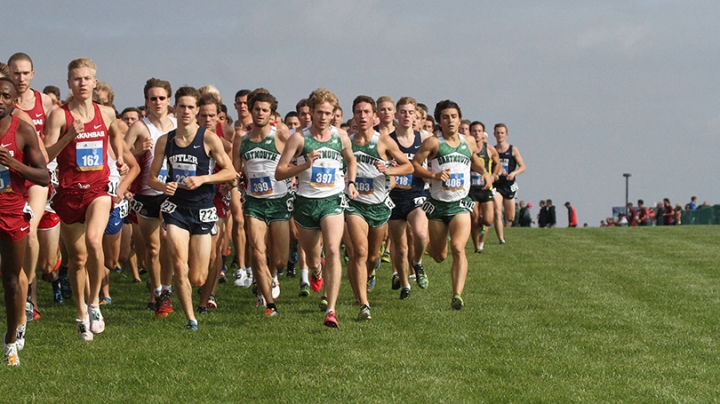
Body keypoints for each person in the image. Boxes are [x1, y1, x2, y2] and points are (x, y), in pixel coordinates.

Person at [44, 58, 125, 340]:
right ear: (69, 83)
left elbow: (116, 135)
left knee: (94, 240)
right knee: (77, 260)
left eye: (87, 78)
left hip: (97, 190)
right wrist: (68, 137)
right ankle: (79, 313)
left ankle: (94, 304)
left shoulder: (106, 113)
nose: (82, 83)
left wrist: (121, 157)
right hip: (68, 193)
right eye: (77, 79)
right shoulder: (59, 116)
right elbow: (45, 157)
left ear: (95, 81)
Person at [147, 86, 237, 331]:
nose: (185, 111)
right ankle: (190, 319)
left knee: (198, 275)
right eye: (182, 106)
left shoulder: (208, 138)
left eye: (190, 107)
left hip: (203, 208)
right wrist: (162, 185)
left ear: (197, 111)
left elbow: (230, 172)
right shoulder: (165, 140)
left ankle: (194, 293)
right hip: (176, 208)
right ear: (174, 108)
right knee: (178, 262)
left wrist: (203, 179)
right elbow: (152, 178)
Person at [275, 88, 357, 328]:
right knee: (313, 257)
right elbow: (280, 171)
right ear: (310, 112)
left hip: (332, 200)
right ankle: (315, 271)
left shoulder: (340, 136)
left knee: (332, 249)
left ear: (334, 114)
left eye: (328, 113)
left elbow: (350, 158)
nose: (323, 117)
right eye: (319, 112)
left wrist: (350, 182)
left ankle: (331, 310)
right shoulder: (299, 138)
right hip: (305, 202)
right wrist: (304, 165)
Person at [412, 100, 493, 310]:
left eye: (454, 116)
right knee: (439, 256)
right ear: (439, 120)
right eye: (446, 117)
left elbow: (474, 159)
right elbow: (414, 165)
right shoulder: (433, 143)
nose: (450, 121)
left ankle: (457, 295)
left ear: (459, 118)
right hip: (438, 205)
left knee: (458, 248)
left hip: (460, 204)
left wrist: (484, 172)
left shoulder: (469, 142)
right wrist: (433, 175)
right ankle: (420, 258)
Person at [343, 95, 412, 319]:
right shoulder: (347, 141)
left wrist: (389, 171)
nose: (362, 116)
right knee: (359, 252)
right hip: (355, 205)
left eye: (366, 112)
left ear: (374, 116)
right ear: (353, 115)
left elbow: (408, 166)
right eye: (358, 112)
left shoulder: (383, 141)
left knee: (373, 256)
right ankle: (363, 303)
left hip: (379, 206)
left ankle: (370, 273)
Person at [0, 77, 49, 365]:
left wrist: (14, 164)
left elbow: (44, 176)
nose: (0, 100)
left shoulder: (23, 131)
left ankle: (11, 340)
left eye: (5, 96)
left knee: (11, 280)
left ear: (13, 101)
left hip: (11, 211)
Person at [235, 90, 292, 316]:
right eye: (256, 109)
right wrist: (230, 181)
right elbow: (235, 167)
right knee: (258, 251)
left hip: (279, 201)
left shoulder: (281, 136)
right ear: (250, 110)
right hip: (254, 203)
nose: (260, 113)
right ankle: (269, 302)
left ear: (271, 113)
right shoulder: (242, 139)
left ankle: (274, 275)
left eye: (265, 110)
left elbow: (297, 157)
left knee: (279, 258)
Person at [8, 53, 55, 320]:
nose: (21, 78)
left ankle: (31, 298)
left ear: (33, 75)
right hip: (10, 175)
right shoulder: (5, 103)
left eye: (25, 73)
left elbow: (47, 147)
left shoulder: (44, 102)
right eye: (16, 73)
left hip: (35, 173)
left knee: (30, 231)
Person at [124, 78, 177, 315]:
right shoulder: (138, 127)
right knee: (152, 249)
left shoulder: (177, 125)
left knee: (168, 244)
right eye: (152, 98)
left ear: (169, 100)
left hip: (172, 193)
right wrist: (138, 151)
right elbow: (120, 160)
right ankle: (156, 291)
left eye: (161, 98)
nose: (157, 102)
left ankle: (166, 292)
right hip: (146, 194)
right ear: (146, 101)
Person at [387, 97, 430, 300]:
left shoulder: (425, 139)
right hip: (394, 197)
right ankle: (405, 285)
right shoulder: (387, 140)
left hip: (417, 194)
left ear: (416, 115)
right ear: (396, 115)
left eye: (410, 112)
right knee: (400, 246)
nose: (406, 116)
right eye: (402, 112)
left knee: (420, 234)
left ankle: (418, 262)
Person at [468, 121, 500, 253]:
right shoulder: (467, 148)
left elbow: (498, 164)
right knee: (474, 219)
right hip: (472, 188)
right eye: (474, 131)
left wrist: (493, 175)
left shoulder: (490, 149)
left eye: (479, 131)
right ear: (470, 133)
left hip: (486, 187)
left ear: (483, 134)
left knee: (488, 220)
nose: (476, 133)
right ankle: (477, 247)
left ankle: (482, 235)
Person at [492, 123, 525, 244]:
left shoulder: (513, 149)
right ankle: (501, 239)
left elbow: (523, 167)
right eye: (498, 133)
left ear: (506, 134)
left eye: (502, 133)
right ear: (494, 134)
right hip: (497, 185)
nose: (500, 135)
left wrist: (514, 173)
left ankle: (505, 227)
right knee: (497, 211)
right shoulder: (492, 150)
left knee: (510, 217)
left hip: (509, 185)